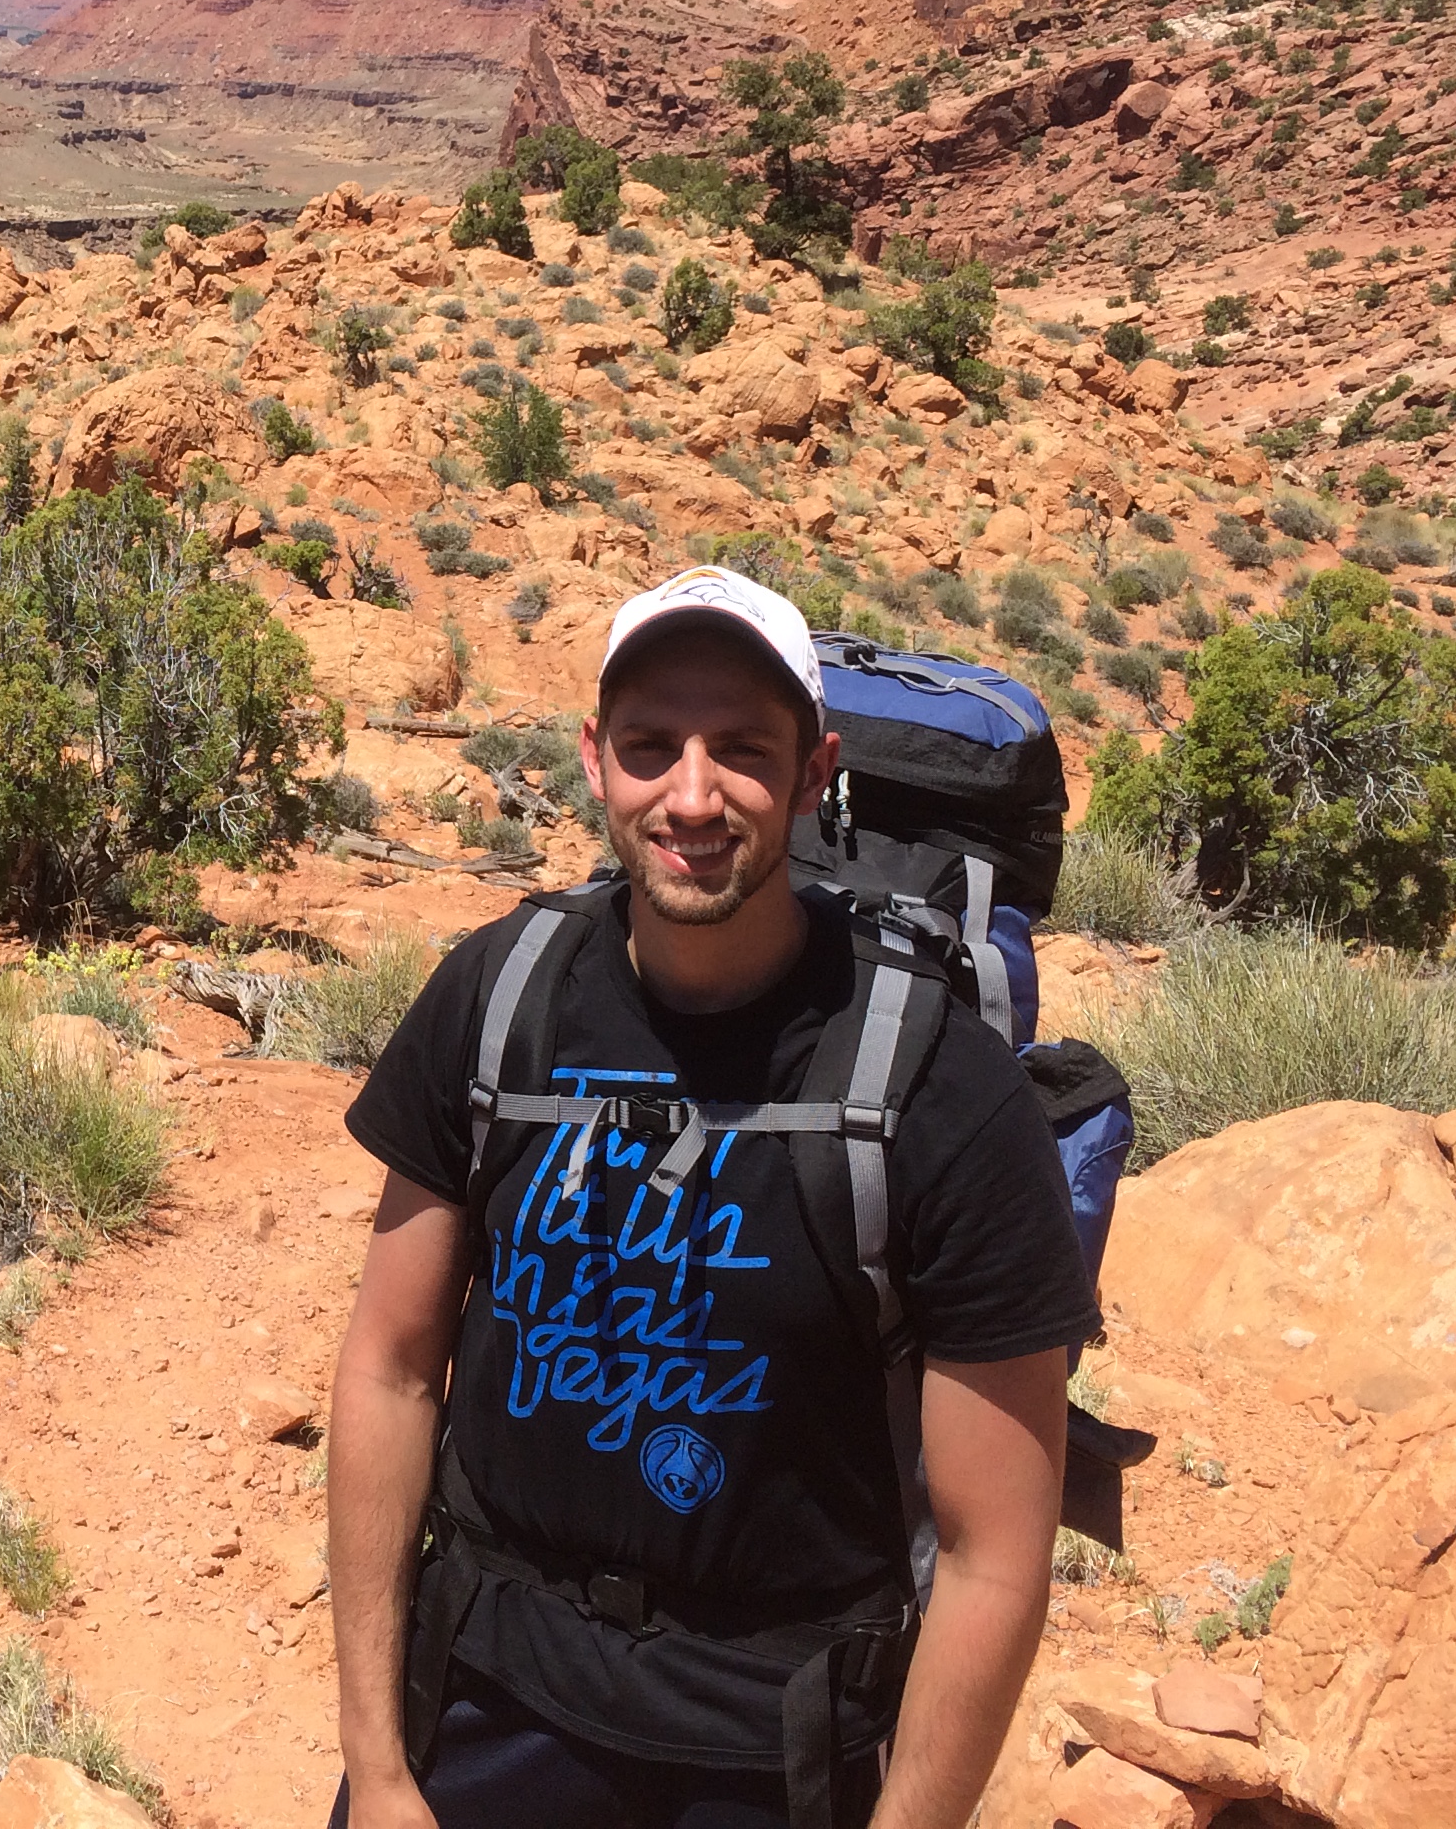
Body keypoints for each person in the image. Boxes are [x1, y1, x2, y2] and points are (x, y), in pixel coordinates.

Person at [326, 565, 1095, 1829]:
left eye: (742, 750)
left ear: (813, 772)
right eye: (651, 747)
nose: (692, 797)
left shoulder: (934, 1083)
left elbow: (994, 1549)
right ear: (594, 760)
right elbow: (391, 1369)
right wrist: (379, 1766)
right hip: (482, 1698)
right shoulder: (499, 996)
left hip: (773, 1741)